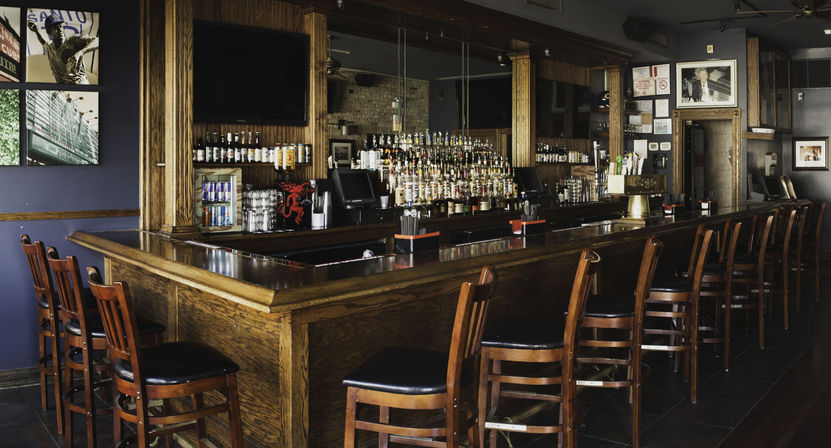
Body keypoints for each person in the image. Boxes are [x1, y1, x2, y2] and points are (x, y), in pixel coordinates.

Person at [27, 13, 98, 85]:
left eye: (60, 26)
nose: (60, 29)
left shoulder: (72, 40)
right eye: (55, 28)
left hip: (79, 85)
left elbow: (97, 41)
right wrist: (36, 30)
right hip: (63, 90)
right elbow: (42, 41)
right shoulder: (50, 48)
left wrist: (81, 52)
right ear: (48, 31)